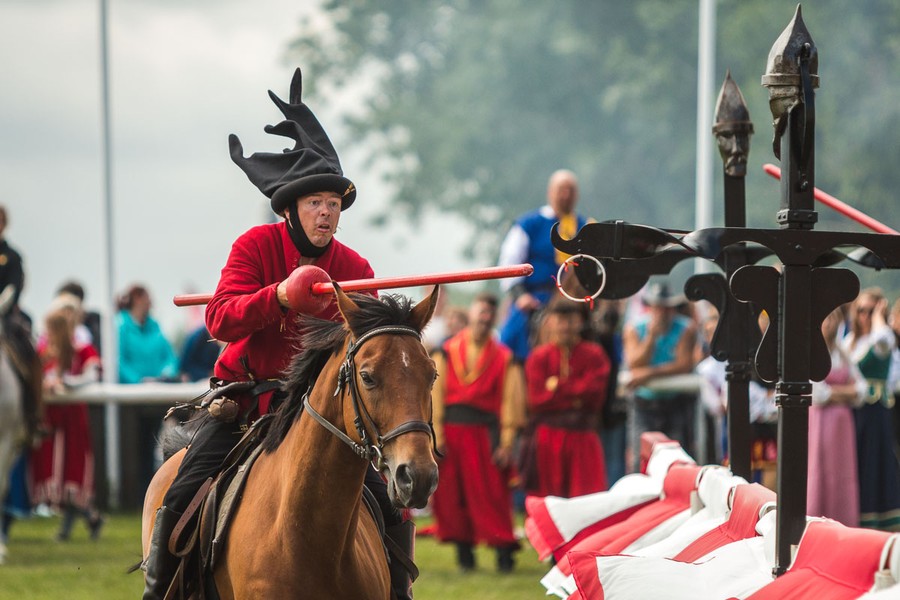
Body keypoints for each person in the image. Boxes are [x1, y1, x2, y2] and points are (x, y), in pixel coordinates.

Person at [143, 68, 416, 600]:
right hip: (249, 405)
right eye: (317, 203)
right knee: (183, 491)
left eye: (334, 205)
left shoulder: (355, 265)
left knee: (389, 502)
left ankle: (399, 591)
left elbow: (373, 348)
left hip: (328, 416)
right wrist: (282, 297)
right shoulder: (253, 246)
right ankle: (161, 591)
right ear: (290, 206)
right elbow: (219, 318)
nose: (327, 214)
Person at [430, 293, 525, 572]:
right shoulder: (446, 351)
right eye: (481, 312)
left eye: (489, 315)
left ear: (494, 319)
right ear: (471, 314)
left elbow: (511, 402)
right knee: (453, 497)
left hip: (486, 435)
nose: (484, 319)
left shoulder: (505, 357)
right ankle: (465, 556)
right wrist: (437, 436)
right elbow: (436, 397)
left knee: (492, 496)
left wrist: (507, 442)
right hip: (451, 434)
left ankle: (504, 555)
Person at [519, 299, 610, 498]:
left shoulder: (595, 355)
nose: (565, 326)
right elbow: (537, 400)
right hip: (547, 438)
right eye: (560, 320)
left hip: (583, 436)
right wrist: (576, 395)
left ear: (579, 322)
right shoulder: (539, 357)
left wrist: (557, 387)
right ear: (550, 322)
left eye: (570, 320)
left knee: (586, 498)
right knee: (548, 500)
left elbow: (594, 395)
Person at [497, 169, 589, 363]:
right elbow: (509, 261)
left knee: (606, 337)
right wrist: (520, 295)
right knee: (508, 342)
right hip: (536, 298)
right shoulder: (530, 224)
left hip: (576, 300)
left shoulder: (585, 226)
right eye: (561, 190)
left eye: (571, 190)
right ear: (550, 192)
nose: (566, 195)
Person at [32, 306, 104, 541]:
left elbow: (92, 374)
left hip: (73, 421)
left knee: (73, 472)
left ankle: (87, 518)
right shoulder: (44, 351)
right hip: (52, 422)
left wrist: (67, 383)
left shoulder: (82, 349)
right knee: (58, 474)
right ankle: (88, 519)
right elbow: (36, 375)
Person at [622, 280, 698, 472]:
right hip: (644, 403)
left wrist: (648, 374)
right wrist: (650, 337)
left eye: (666, 308)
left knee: (678, 459)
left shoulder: (686, 328)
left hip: (675, 402)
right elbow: (634, 363)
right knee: (640, 459)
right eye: (657, 308)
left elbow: (684, 364)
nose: (662, 313)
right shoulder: (634, 328)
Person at [842, 288, 900, 530]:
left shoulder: (882, 340)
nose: (864, 315)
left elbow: (883, 340)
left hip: (877, 413)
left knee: (878, 462)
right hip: (854, 413)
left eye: (870, 311)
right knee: (857, 463)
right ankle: (858, 514)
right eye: (861, 310)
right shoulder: (850, 342)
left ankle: (883, 518)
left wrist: (879, 315)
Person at [808, 307, 865, 526]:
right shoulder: (813, 353)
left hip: (843, 425)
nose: (829, 324)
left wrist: (836, 393)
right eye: (825, 319)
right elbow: (818, 394)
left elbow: (861, 389)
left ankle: (844, 519)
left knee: (842, 471)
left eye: (833, 318)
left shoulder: (843, 353)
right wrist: (844, 393)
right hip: (821, 423)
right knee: (820, 469)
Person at [116, 285, 178, 384]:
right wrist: (139, 381)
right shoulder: (119, 325)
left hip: (158, 390)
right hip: (129, 394)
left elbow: (170, 358)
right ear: (137, 299)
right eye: (147, 298)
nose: (150, 303)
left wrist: (165, 376)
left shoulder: (155, 326)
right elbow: (117, 361)